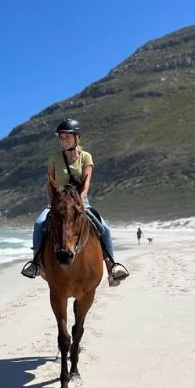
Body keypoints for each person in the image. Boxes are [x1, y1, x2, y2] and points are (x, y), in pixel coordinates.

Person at [21, 118, 130, 287]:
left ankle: (112, 268)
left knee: (105, 228)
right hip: (58, 202)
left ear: (77, 137)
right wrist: (52, 202)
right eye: (61, 137)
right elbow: (49, 182)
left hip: (80, 200)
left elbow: (86, 183)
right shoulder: (55, 158)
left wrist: (80, 200)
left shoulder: (86, 157)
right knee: (39, 223)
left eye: (67, 137)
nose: (63, 140)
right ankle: (36, 264)